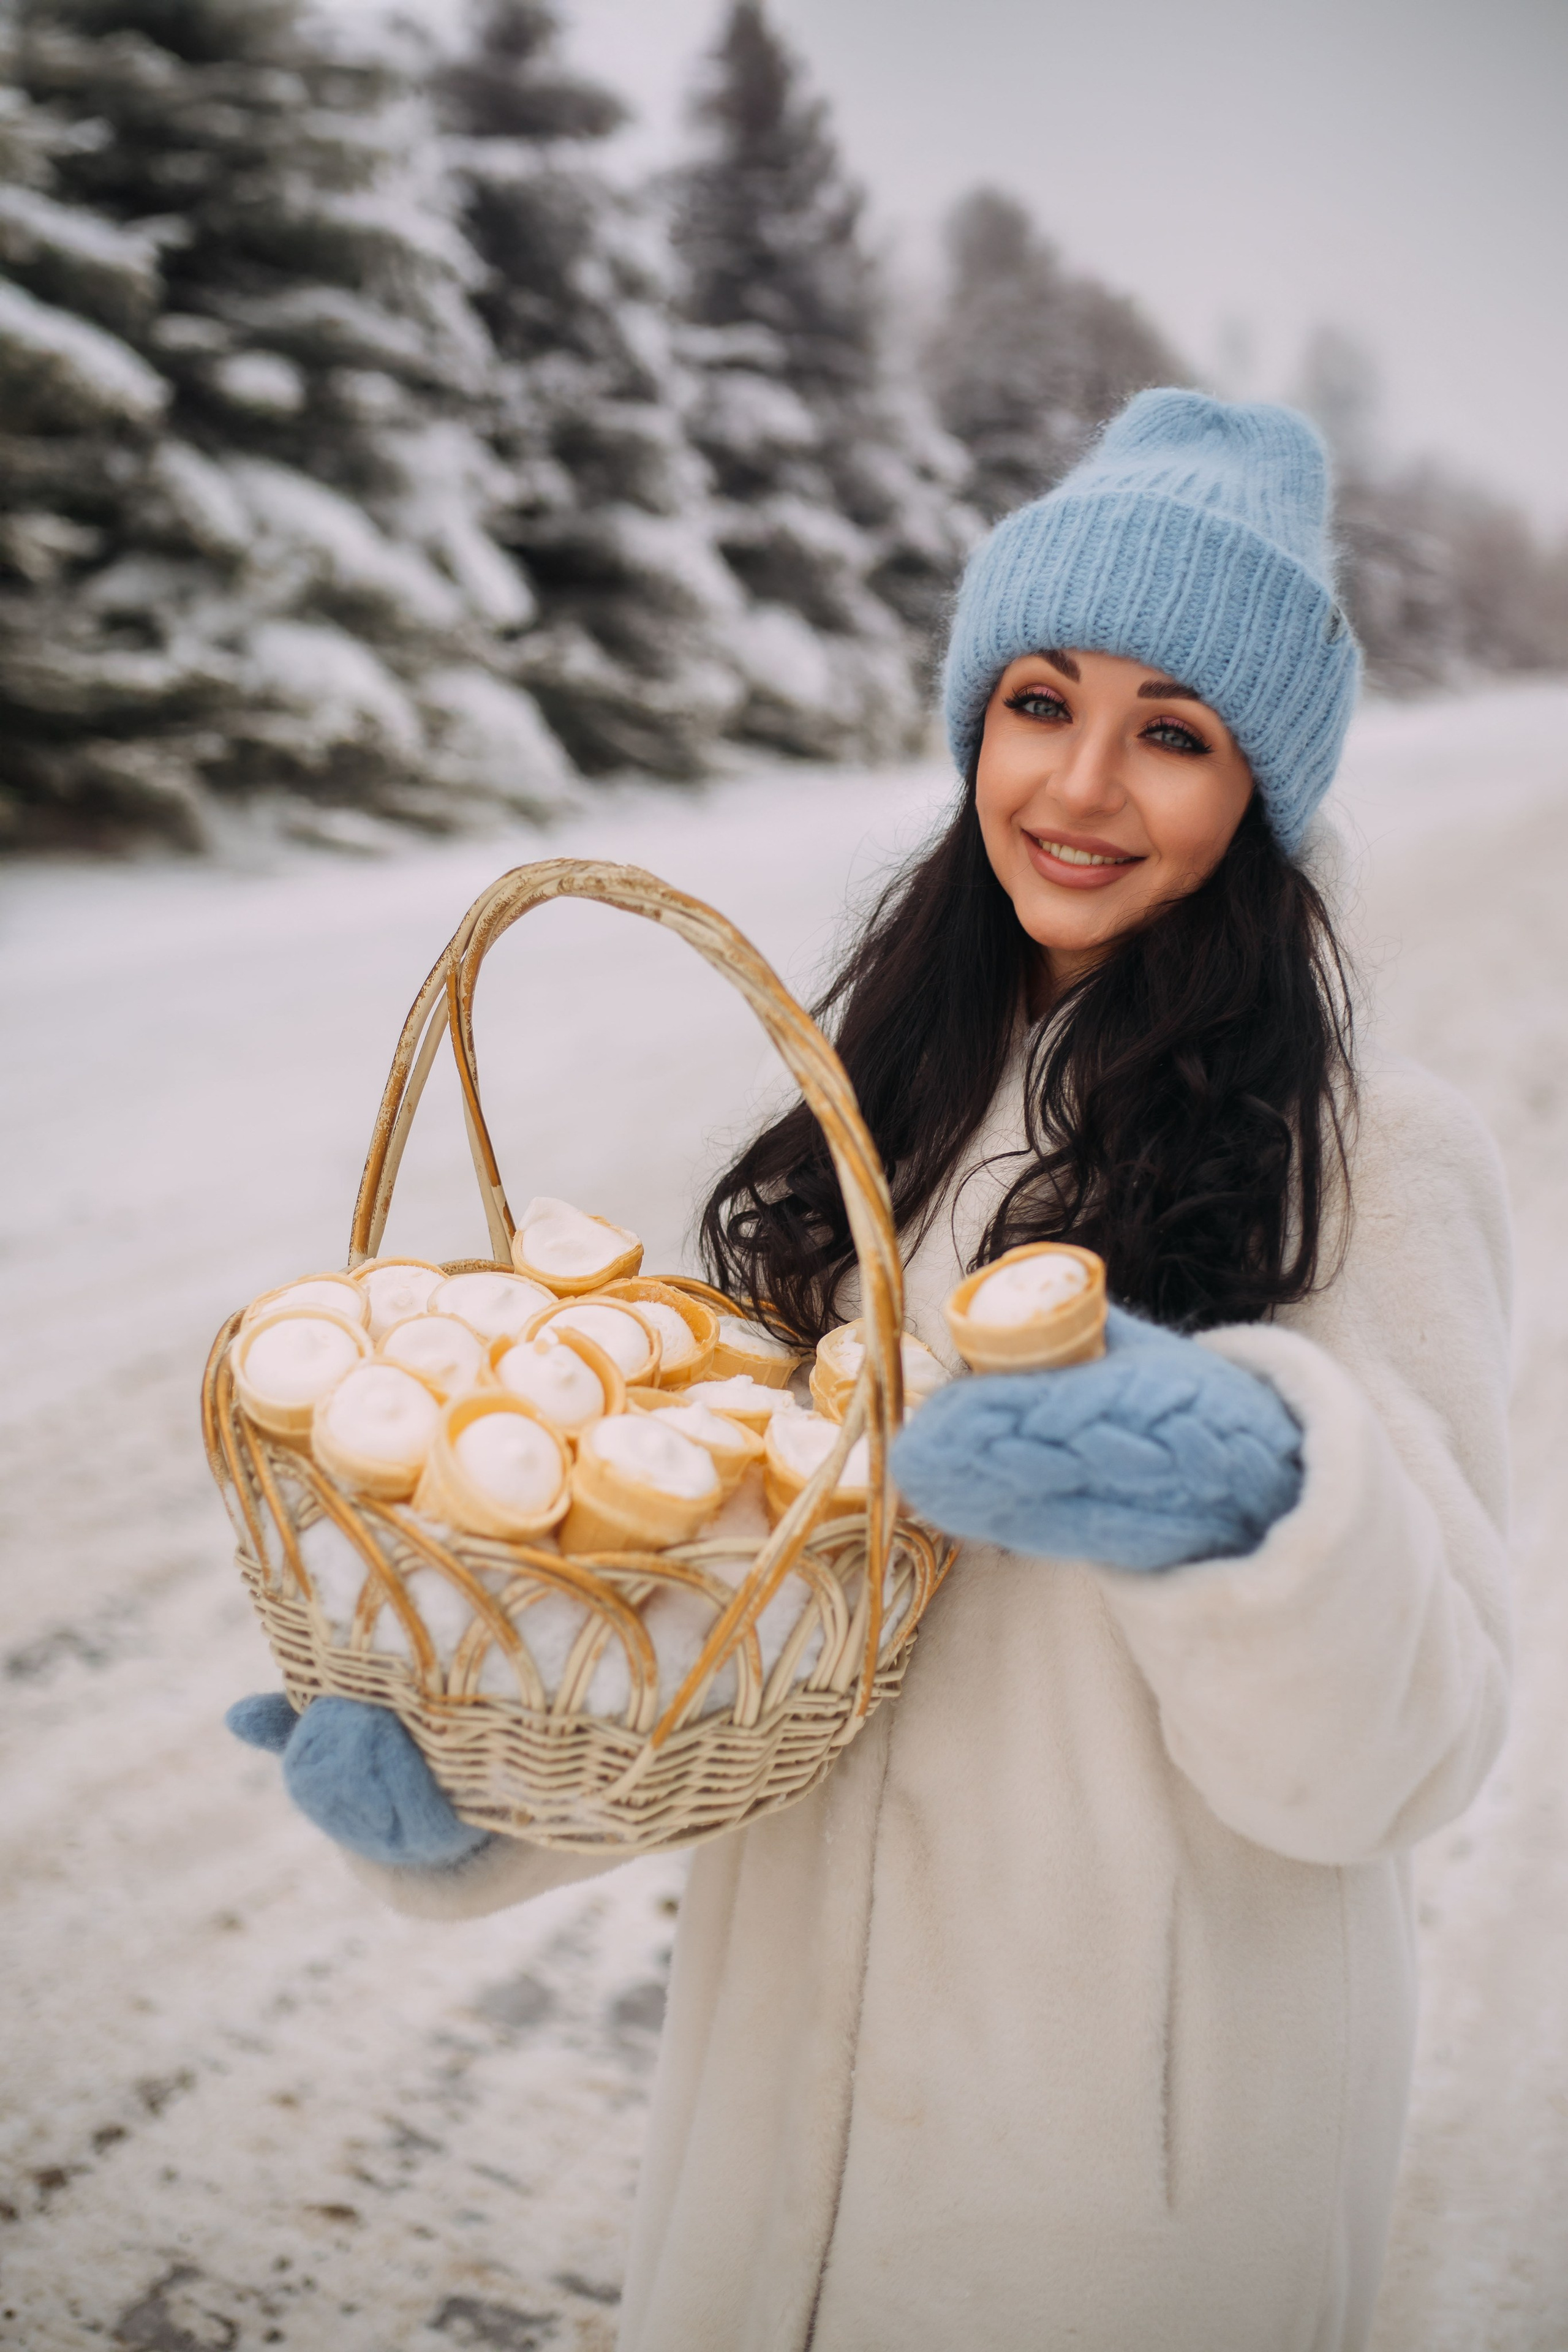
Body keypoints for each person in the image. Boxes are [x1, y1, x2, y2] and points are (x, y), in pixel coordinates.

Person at [230, 391, 1512, 2350]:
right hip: (774, 2146)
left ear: (1264, 787)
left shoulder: (1370, 1156)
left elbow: (1411, 1752)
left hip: (1122, 2191)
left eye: (1174, 732)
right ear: (971, 721)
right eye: (1037, 702)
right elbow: (733, 1620)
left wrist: (1255, 1495)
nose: (1080, 784)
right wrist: (491, 1798)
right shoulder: (860, 1130)